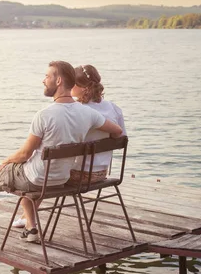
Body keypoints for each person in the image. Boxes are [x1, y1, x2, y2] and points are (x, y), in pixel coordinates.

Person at [0, 61, 123, 242]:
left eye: (47, 76)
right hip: (62, 178)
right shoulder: (89, 114)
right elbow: (118, 132)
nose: (43, 80)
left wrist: (6, 161)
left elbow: (24, 154)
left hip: (38, 178)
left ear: (59, 81)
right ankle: (31, 228)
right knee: (24, 174)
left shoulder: (44, 115)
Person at [12, 63, 126, 228]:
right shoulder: (113, 108)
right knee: (52, 163)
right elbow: (121, 137)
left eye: (74, 84)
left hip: (78, 176)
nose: (70, 86)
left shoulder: (81, 112)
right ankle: (26, 218)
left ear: (82, 88)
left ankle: (29, 220)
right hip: (102, 172)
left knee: (46, 169)